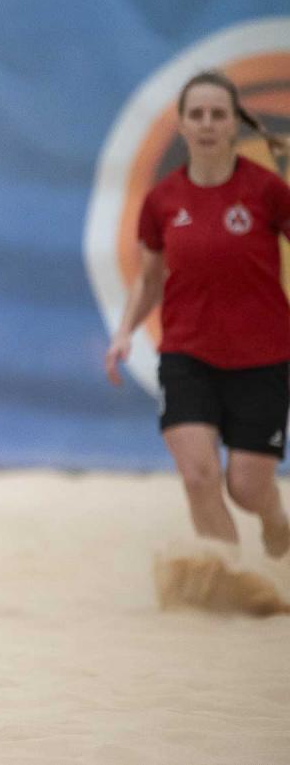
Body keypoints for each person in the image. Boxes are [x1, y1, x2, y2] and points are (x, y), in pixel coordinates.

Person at [105, 71, 290, 561]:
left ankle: (275, 517)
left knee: (246, 488)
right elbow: (149, 279)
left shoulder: (267, 191)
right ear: (183, 125)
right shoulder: (162, 201)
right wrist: (123, 333)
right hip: (187, 357)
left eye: (218, 114)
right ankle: (232, 579)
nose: (207, 123)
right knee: (198, 477)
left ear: (235, 124)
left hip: (263, 359)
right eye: (197, 115)